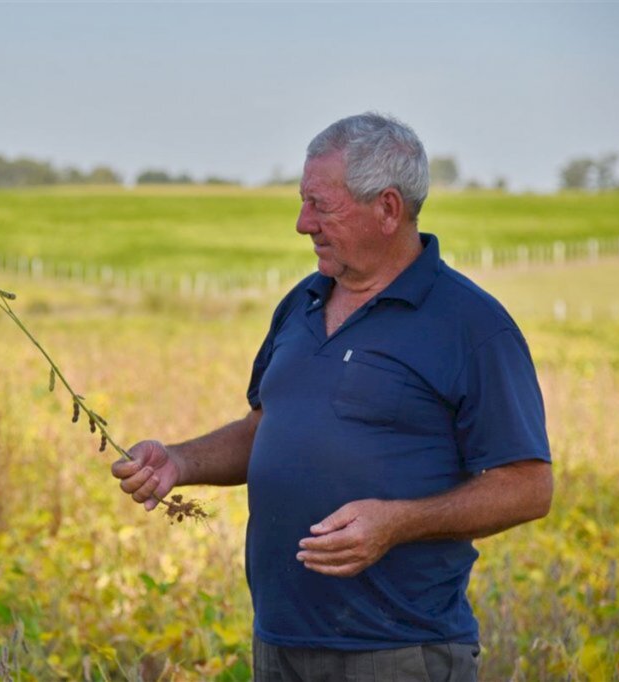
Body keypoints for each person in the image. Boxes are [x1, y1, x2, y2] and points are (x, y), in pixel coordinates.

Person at [111, 113, 553, 682]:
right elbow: (266, 426)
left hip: (399, 653)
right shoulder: (302, 303)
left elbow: (528, 485)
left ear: (388, 209)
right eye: (303, 202)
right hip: (280, 643)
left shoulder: (472, 325)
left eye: (321, 206)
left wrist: (397, 523)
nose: (303, 224)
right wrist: (180, 461)